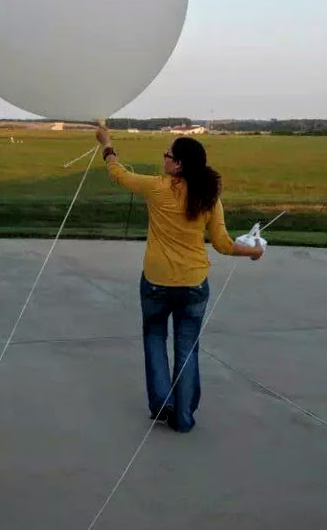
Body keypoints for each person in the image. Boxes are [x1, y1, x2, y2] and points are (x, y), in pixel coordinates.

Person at [95, 125, 263, 433]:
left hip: (156, 283)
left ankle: (162, 405)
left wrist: (107, 146)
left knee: (154, 339)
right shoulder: (208, 196)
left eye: (168, 154)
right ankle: (183, 419)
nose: (164, 158)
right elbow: (224, 244)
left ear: (179, 164)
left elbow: (118, 174)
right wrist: (252, 252)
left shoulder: (157, 188)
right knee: (187, 349)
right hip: (194, 285)